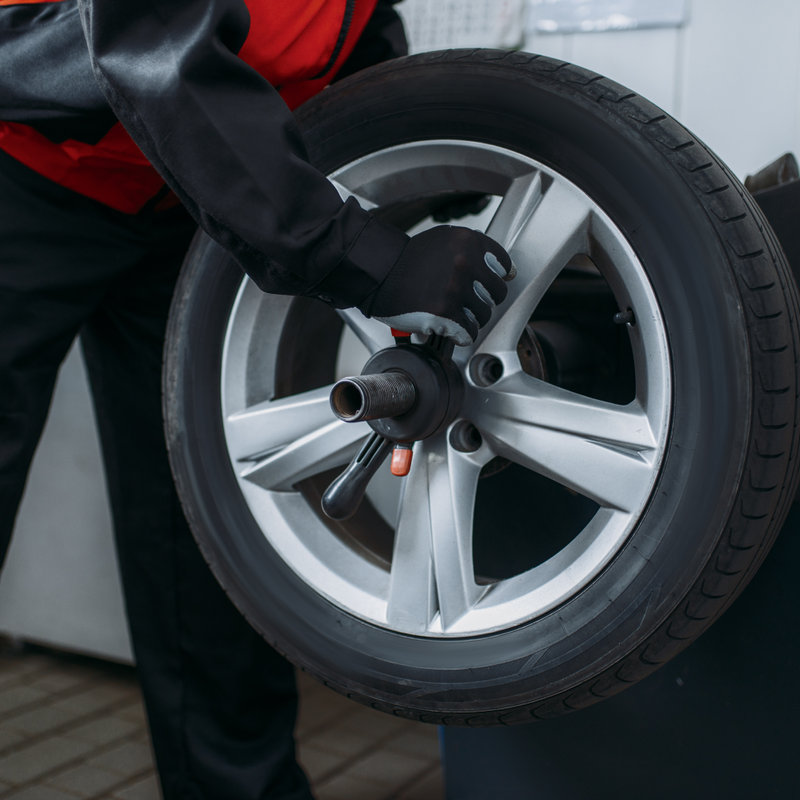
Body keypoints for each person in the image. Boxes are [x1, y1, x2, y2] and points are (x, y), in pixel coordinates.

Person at [0, 1, 512, 797]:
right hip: (20, 161)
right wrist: (363, 256)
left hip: (179, 192)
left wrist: (418, 185)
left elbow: (351, 45)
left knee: (201, 524)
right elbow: (149, 47)